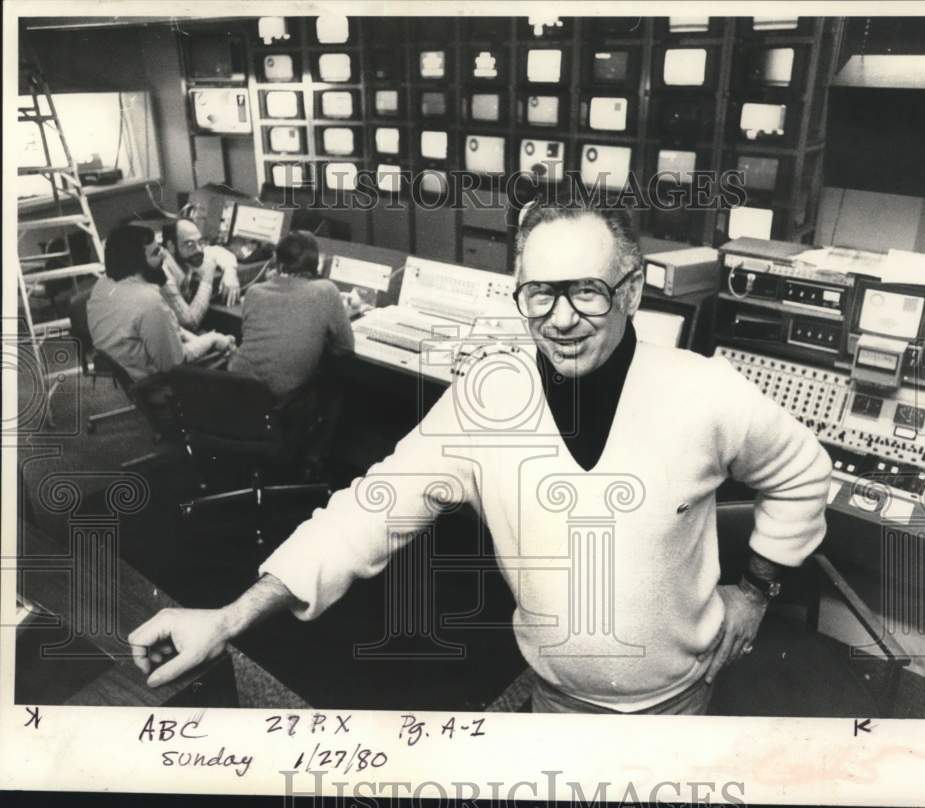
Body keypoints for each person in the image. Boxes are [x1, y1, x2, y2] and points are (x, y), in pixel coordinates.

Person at [128, 199, 832, 715]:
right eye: (538, 295)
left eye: (586, 290)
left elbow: (803, 474)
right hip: (552, 701)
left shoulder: (705, 391)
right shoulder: (486, 401)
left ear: (634, 290)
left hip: (680, 700)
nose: (560, 319)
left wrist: (758, 591)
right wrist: (227, 616)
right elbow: (367, 514)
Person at [88, 223, 235, 383]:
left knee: (204, 338)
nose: (164, 256)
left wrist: (198, 339)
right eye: (155, 252)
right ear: (137, 262)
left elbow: (163, 328)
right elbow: (174, 363)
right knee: (231, 355)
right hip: (154, 384)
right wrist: (213, 339)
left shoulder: (102, 284)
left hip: (122, 374)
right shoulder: (149, 301)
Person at [227, 231, 354, 398]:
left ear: (277, 262)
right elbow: (345, 347)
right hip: (277, 401)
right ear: (315, 264)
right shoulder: (327, 291)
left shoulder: (254, 291)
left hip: (232, 387)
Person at [159, 217, 241, 330]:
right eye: (189, 244)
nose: (199, 250)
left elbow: (216, 251)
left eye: (200, 242)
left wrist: (230, 272)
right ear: (171, 246)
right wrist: (207, 277)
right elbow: (189, 322)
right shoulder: (162, 273)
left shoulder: (188, 255)